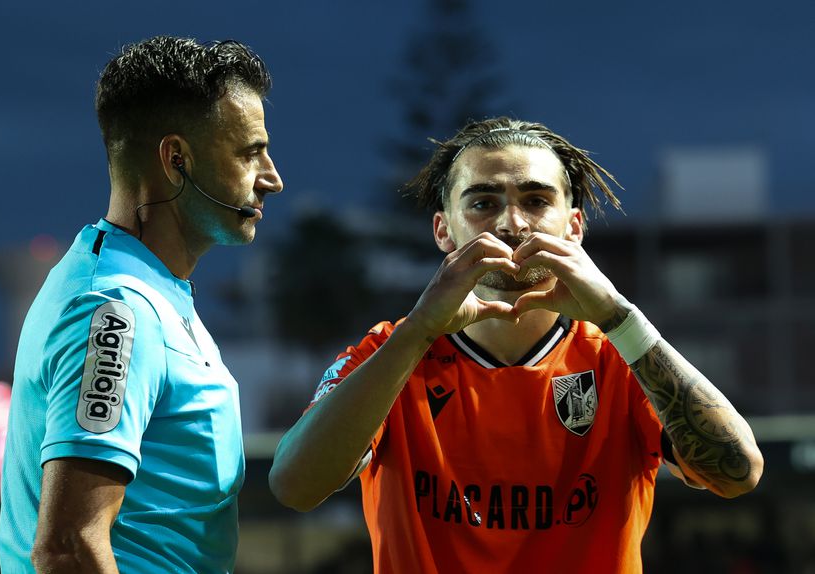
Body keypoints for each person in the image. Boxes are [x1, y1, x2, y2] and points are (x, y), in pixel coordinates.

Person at [269, 117, 763, 573]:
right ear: (444, 230)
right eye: (483, 203)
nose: (512, 224)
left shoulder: (620, 356)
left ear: (574, 227)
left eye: (536, 200)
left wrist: (620, 317)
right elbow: (294, 487)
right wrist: (418, 331)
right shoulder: (388, 353)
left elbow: (738, 472)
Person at [0, 36, 283, 573]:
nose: (272, 178)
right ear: (176, 160)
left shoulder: (144, 289)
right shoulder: (117, 307)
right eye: (250, 153)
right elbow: (69, 548)